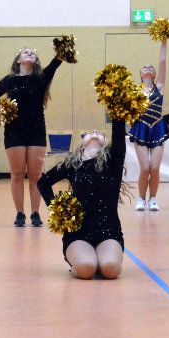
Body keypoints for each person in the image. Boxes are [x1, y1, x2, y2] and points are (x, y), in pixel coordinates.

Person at [0, 42, 66, 227]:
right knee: (17, 174)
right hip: (14, 131)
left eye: (32, 53)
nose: (30, 53)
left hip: (37, 131)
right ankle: (20, 213)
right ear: (19, 60)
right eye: (25, 52)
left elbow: (56, 62)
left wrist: (63, 48)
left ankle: (35, 213)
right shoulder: (10, 80)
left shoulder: (41, 78)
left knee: (35, 175)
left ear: (35, 60)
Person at [37, 119, 128, 279]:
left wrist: (117, 108)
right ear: (81, 144)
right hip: (78, 233)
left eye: (99, 133)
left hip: (109, 231)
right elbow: (43, 183)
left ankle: (101, 260)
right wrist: (58, 211)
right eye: (90, 133)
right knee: (87, 269)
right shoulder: (72, 164)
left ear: (106, 143)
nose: (95, 132)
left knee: (111, 269)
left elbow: (119, 131)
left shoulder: (113, 161)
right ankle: (81, 264)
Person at [127, 38, 168, 211]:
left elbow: (163, 61)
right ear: (140, 74)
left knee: (155, 168)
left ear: (155, 73)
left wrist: (164, 41)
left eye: (151, 67)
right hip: (141, 128)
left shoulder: (160, 86)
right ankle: (141, 198)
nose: (148, 68)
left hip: (157, 127)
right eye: (145, 67)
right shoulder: (134, 91)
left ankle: (153, 199)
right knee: (145, 168)